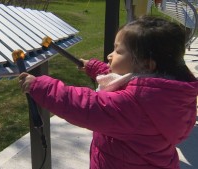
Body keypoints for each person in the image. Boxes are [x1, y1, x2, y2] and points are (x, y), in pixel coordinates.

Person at [18, 16, 198, 169]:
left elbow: (84, 106)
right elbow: (120, 79)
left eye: (118, 51)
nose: (110, 55)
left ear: (146, 65)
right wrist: (95, 68)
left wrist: (41, 86)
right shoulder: (165, 93)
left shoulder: (133, 106)